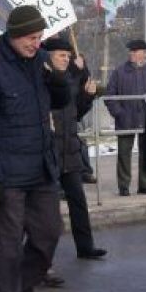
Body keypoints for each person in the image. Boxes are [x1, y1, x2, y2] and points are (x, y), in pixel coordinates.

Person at [0, 6, 71, 292]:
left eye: (39, 37)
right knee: (9, 244)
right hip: (7, 173)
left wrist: (57, 77)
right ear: (12, 35)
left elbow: (63, 100)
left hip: (41, 168)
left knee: (49, 234)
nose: (35, 43)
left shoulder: (40, 61)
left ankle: (24, 286)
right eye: (29, 37)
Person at [44, 37, 106, 260]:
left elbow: (75, 114)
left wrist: (87, 97)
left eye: (68, 56)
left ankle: (85, 246)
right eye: (61, 55)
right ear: (49, 57)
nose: (66, 59)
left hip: (70, 151)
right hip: (49, 153)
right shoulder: (42, 79)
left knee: (78, 201)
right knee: (46, 211)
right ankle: (42, 257)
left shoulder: (69, 79)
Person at [106, 39, 146, 196]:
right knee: (123, 153)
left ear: (144, 53)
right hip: (125, 119)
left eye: (135, 51)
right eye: (131, 51)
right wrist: (119, 113)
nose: (132, 54)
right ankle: (124, 186)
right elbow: (109, 95)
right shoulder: (119, 71)